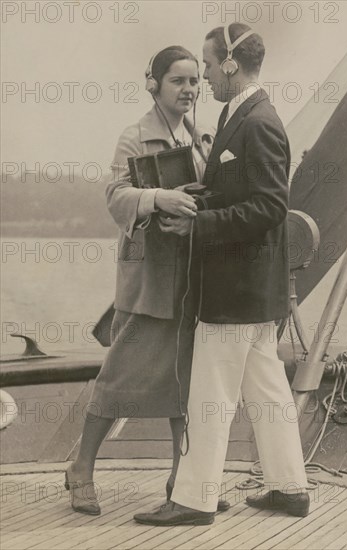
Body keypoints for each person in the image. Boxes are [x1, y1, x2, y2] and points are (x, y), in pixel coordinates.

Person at [134, 23, 310, 527]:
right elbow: (245, 195)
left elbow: (271, 207)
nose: (204, 77)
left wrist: (198, 225)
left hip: (235, 288)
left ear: (230, 65)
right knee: (268, 390)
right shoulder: (242, 115)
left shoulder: (258, 123)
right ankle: (290, 487)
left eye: (208, 66)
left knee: (209, 393)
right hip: (256, 290)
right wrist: (201, 195)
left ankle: (194, 500)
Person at [64, 45, 220, 515]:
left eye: (194, 81)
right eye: (178, 81)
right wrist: (158, 199)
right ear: (153, 84)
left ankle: (183, 481)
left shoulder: (203, 140)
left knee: (183, 385)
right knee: (117, 378)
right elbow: (115, 196)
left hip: (190, 281)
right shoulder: (134, 136)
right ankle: (80, 468)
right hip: (148, 279)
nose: (189, 90)